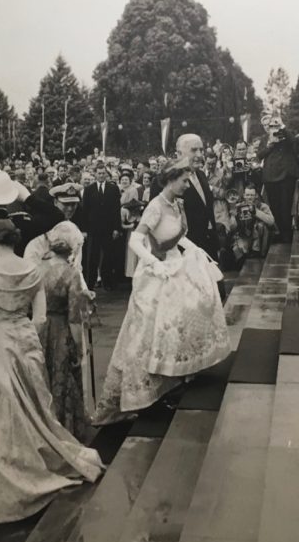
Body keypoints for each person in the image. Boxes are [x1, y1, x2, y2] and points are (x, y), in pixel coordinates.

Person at [0, 219, 104, 523]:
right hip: (24, 339)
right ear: (15, 240)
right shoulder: (30, 269)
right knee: (34, 404)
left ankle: (6, 462)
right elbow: (40, 318)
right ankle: (37, 453)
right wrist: (25, 336)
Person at [93, 158, 231, 424]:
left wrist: (193, 248)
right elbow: (135, 240)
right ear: (170, 179)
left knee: (187, 315)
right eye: (183, 181)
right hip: (156, 273)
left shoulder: (176, 204)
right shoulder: (155, 206)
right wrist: (154, 263)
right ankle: (146, 391)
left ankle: (177, 376)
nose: (187, 186)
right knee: (152, 333)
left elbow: (178, 234)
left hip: (174, 265)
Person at [33, 222, 94, 439]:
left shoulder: (39, 270)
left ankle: (44, 427)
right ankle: (66, 429)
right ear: (70, 251)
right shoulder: (71, 274)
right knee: (64, 375)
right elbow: (74, 316)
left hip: (40, 327)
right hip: (60, 328)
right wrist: (78, 348)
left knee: (45, 375)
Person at [150, 134, 219, 257]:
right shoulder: (165, 180)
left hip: (207, 248)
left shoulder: (201, 175)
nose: (199, 155)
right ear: (179, 153)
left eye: (201, 150)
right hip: (183, 253)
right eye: (194, 150)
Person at [257, 116, 299, 242]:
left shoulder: (285, 134)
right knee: (274, 207)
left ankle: (287, 234)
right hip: (270, 177)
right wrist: (270, 145)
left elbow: (294, 143)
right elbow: (259, 155)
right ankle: (278, 232)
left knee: (285, 206)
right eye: (264, 125)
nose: (267, 127)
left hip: (285, 176)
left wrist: (282, 127)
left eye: (269, 125)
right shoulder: (264, 139)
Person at [82, 165, 122, 290]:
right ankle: (90, 283)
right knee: (92, 257)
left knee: (108, 256)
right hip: (93, 229)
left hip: (109, 228)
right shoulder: (89, 190)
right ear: (95, 174)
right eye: (99, 173)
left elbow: (116, 210)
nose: (101, 175)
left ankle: (107, 282)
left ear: (106, 174)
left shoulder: (113, 189)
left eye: (103, 173)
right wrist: (84, 230)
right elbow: (85, 211)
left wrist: (117, 228)